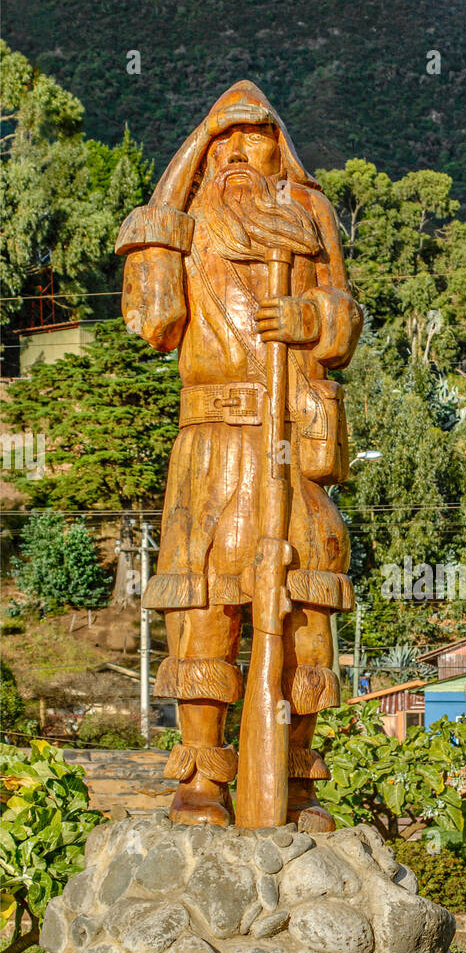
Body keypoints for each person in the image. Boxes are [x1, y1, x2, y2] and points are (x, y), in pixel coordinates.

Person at [116, 81, 362, 830]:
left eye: (256, 136)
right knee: (203, 602)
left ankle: (295, 779)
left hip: (289, 442)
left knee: (305, 603)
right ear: (202, 151)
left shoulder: (310, 216)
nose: (239, 154)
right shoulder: (182, 228)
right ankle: (202, 781)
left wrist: (310, 314)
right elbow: (153, 322)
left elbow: (347, 318)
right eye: (222, 140)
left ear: (279, 145)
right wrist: (182, 164)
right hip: (212, 445)